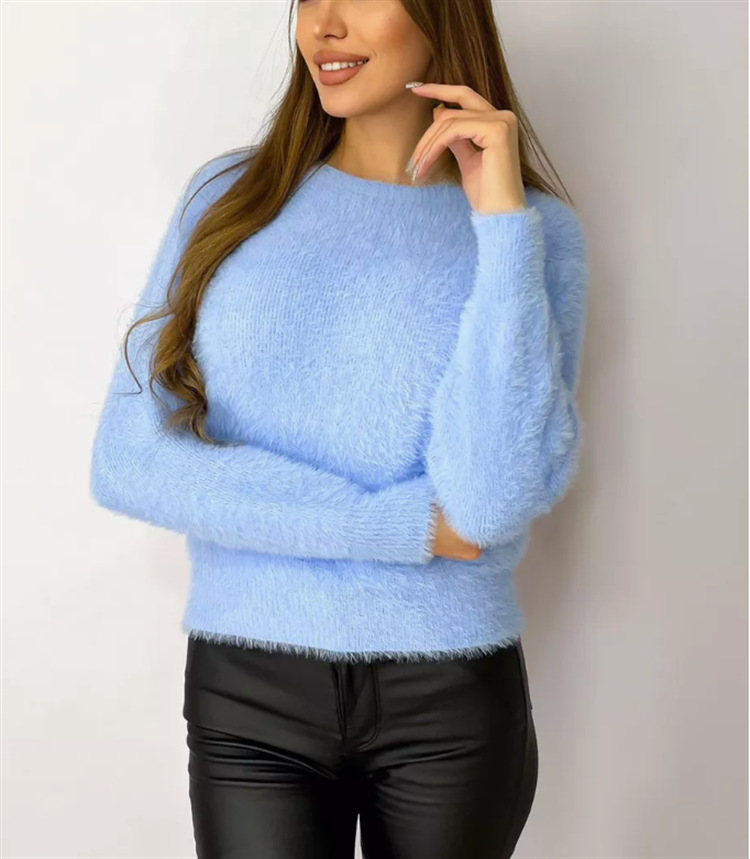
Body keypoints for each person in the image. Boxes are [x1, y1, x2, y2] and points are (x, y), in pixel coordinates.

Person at [89, 0, 589, 856]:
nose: (323, 25)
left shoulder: (536, 234)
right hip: (249, 685)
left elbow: (488, 502)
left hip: (448, 698)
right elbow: (129, 460)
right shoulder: (229, 201)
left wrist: (502, 226)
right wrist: (394, 526)